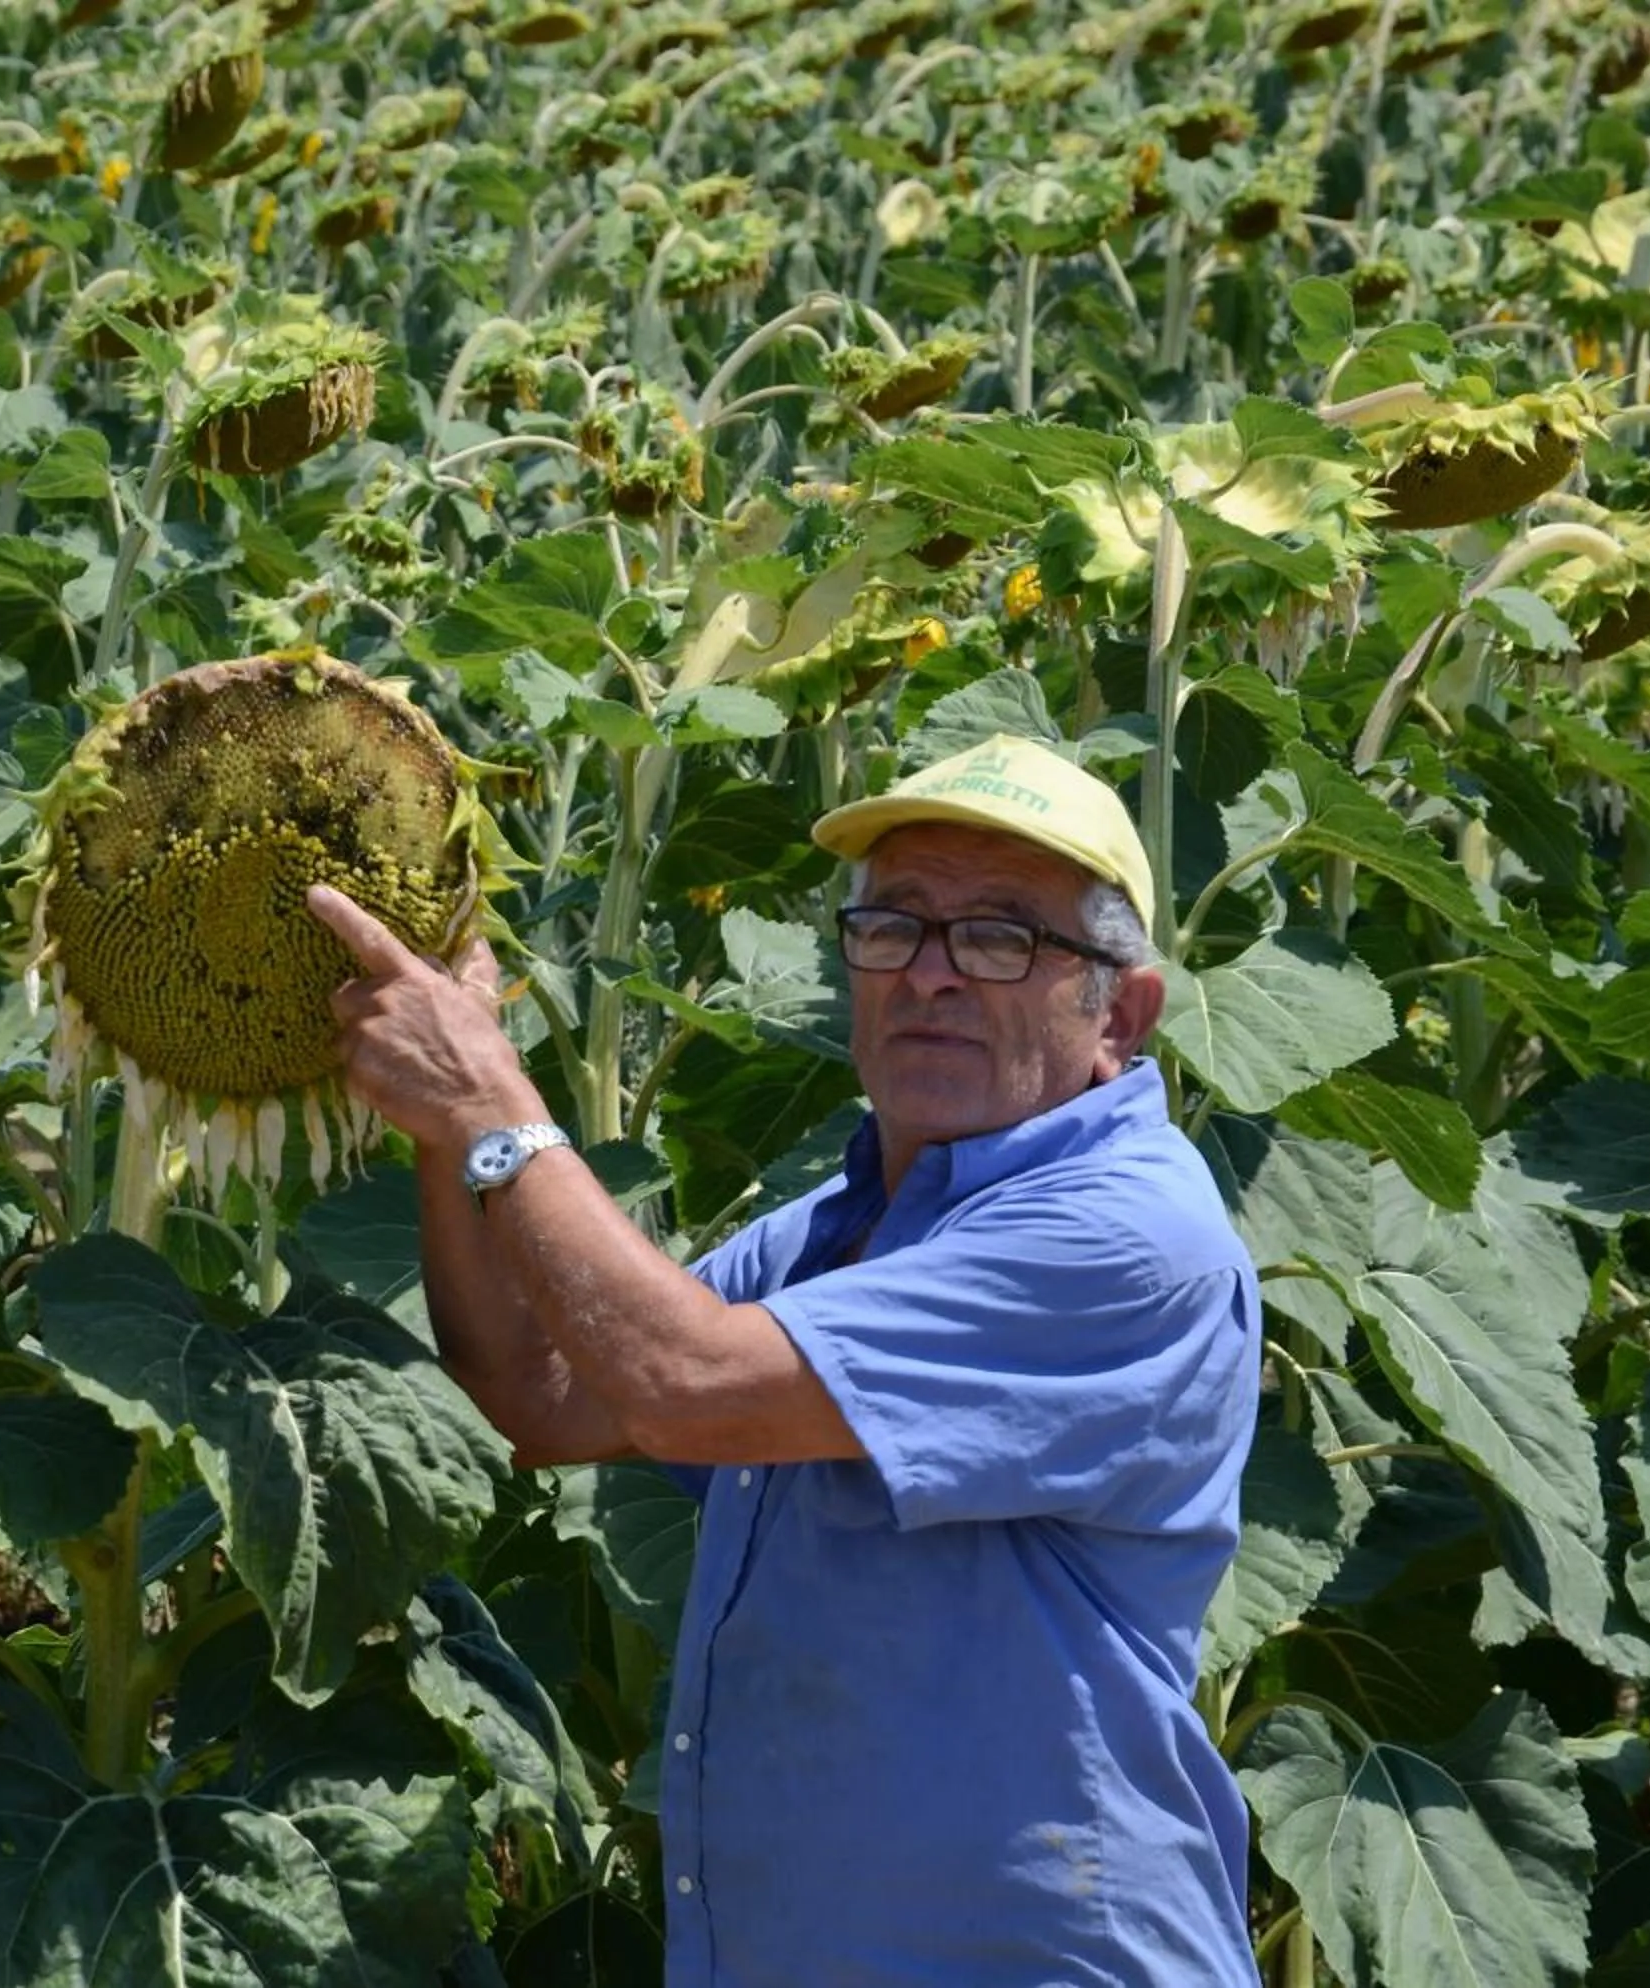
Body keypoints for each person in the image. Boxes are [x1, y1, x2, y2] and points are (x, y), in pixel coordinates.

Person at [305, 733, 1262, 1987]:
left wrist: (494, 1105)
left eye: (1001, 937)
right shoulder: (843, 1226)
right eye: (895, 926)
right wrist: (448, 1121)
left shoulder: (1127, 1236)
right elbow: (544, 1397)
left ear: (1119, 1014)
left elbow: (682, 1379)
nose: (931, 974)